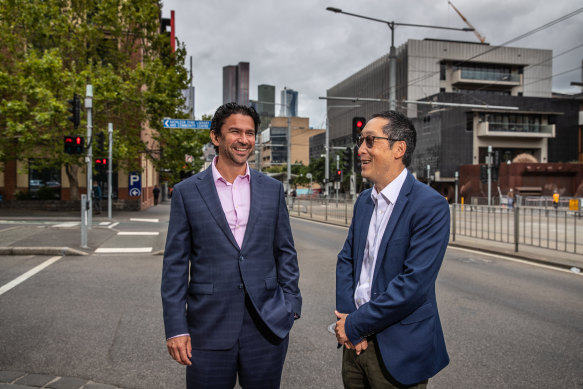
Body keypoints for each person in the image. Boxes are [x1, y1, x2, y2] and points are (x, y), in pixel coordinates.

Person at [161, 102, 302, 389]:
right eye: (235, 131)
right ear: (215, 137)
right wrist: (176, 328)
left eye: (250, 133)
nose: (244, 139)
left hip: (266, 327)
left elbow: (285, 251)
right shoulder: (187, 192)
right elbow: (175, 265)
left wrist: (291, 305)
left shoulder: (272, 189)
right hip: (208, 329)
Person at [335, 111, 450, 388]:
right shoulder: (364, 200)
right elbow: (347, 261)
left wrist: (355, 325)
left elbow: (413, 286)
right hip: (354, 343)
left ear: (399, 148)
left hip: (398, 347)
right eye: (360, 141)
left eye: (370, 141)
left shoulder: (430, 206)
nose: (361, 149)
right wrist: (347, 318)